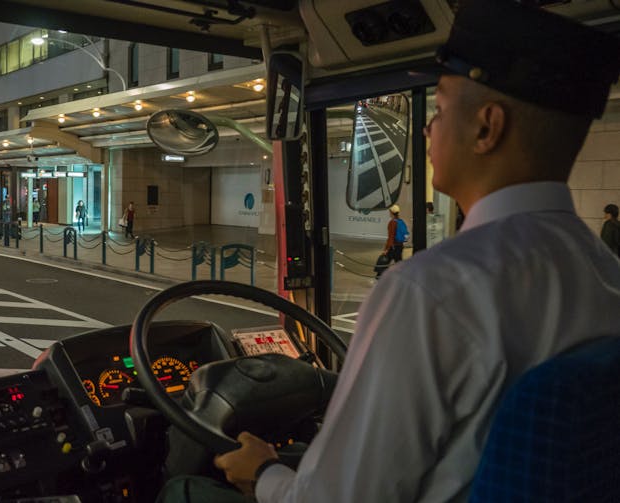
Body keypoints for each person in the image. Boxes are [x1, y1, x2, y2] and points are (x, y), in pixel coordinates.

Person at [161, 1, 620, 501]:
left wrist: (263, 473)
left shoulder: (430, 291)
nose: (428, 128)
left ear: (487, 127)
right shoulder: (606, 274)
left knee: (183, 487)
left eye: (440, 110)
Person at [379, 204, 407, 272]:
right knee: (399, 264)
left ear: (391, 212)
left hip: (393, 247)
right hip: (400, 246)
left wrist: (386, 249)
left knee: (383, 263)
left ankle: (379, 278)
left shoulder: (392, 223)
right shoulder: (401, 221)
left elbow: (391, 237)